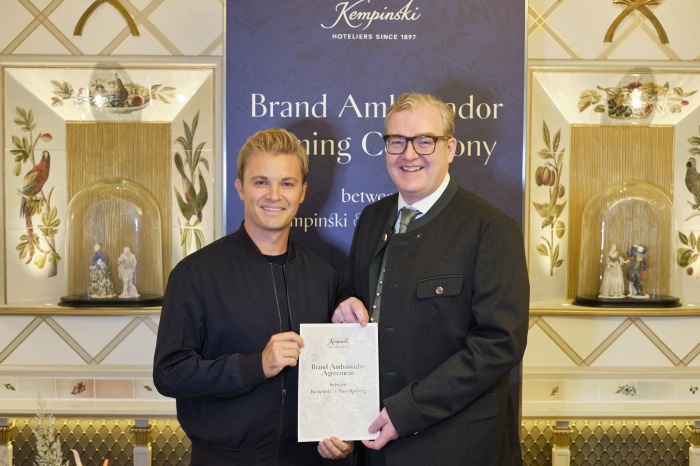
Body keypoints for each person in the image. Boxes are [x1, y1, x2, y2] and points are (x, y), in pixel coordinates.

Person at [333, 93, 530, 465]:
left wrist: (407, 411)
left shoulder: (491, 229)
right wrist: (345, 302)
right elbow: (358, 294)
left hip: (456, 448)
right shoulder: (372, 218)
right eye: (397, 141)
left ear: (450, 148)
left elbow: (499, 344)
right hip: (373, 443)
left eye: (425, 141)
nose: (409, 154)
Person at [153, 128, 354, 465]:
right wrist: (255, 366)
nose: (274, 195)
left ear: (302, 192)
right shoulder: (196, 273)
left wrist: (344, 432)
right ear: (240, 188)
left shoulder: (325, 275)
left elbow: (338, 375)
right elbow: (170, 373)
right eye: (261, 182)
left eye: (286, 183)